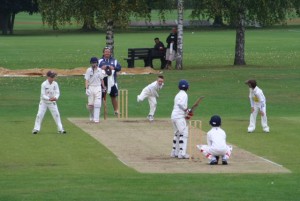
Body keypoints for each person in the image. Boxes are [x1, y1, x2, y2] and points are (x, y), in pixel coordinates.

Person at [170, 79, 192, 159]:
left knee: (177, 133)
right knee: (184, 134)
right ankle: (182, 153)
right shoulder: (184, 94)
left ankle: (174, 152)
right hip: (179, 117)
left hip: (174, 116)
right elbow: (180, 104)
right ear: (186, 86)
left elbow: (179, 105)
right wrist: (186, 110)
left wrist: (186, 112)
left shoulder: (178, 94)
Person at [98, 47, 122, 115]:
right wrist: (101, 68)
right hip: (102, 82)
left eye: (108, 52)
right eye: (106, 52)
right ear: (103, 53)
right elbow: (96, 68)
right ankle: (98, 111)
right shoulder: (100, 61)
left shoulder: (114, 61)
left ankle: (116, 111)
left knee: (113, 96)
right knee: (101, 97)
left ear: (110, 53)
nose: (107, 53)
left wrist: (113, 68)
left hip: (112, 82)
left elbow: (119, 68)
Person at [85, 57, 106, 123]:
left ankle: (96, 119)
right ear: (91, 63)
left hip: (98, 87)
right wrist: (86, 88)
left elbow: (101, 79)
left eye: (95, 63)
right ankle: (91, 115)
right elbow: (86, 80)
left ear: (97, 63)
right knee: (90, 105)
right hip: (91, 87)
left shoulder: (100, 70)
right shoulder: (88, 70)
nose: (94, 64)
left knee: (97, 103)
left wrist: (104, 87)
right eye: (93, 63)